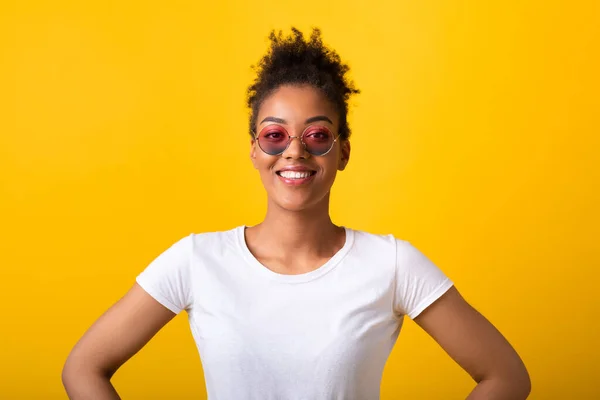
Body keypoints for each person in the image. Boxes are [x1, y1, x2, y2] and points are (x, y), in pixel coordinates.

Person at [62, 28, 531, 400]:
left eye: (316, 136)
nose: (294, 152)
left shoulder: (391, 263)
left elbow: (506, 377)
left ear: (342, 151)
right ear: (254, 149)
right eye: (274, 135)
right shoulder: (197, 259)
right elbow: (83, 369)